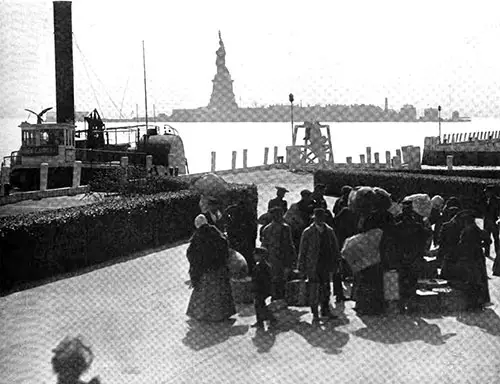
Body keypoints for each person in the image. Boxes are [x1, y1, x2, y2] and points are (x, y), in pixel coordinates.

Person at [186, 214, 236, 322]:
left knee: (205, 294)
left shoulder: (198, 236)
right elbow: (225, 245)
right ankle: (223, 314)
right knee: (221, 291)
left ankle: (205, 315)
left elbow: (191, 253)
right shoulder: (216, 232)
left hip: (205, 269)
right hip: (219, 267)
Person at [297, 208, 340, 321]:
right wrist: (301, 268)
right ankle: (315, 313)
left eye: (322, 217)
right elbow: (303, 251)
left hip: (325, 265)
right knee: (314, 290)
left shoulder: (329, 231)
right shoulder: (308, 232)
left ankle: (325, 311)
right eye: (318, 217)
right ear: (314, 218)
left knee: (326, 289)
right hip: (313, 265)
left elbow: (335, 249)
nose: (320, 219)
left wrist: (336, 264)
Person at [455, 212, 491, 310]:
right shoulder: (477, 229)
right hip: (478, 255)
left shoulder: (466, 231)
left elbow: (461, 244)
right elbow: (488, 240)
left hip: (469, 256)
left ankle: (472, 303)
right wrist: (481, 245)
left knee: (471, 279)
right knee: (480, 278)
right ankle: (481, 301)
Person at [261, 206, 297, 302]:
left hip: (271, 257)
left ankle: (274, 297)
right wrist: (294, 258)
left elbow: (263, 245)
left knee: (273, 278)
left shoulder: (266, 229)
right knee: (282, 279)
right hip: (282, 257)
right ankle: (281, 298)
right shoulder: (285, 228)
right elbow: (290, 244)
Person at [251, 247, 278, 328]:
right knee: (259, 305)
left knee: (261, 306)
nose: (254, 257)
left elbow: (263, 279)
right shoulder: (263, 266)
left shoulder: (262, 267)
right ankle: (261, 321)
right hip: (260, 289)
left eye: (256, 255)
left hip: (261, 290)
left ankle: (271, 320)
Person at [482, 185, 500, 274]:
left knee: (496, 238)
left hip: (493, 221)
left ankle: (497, 253)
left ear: (491, 192)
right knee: (486, 237)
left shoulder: (497, 200)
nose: (486, 193)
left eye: (487, 192)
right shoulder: (485, 200)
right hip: (487, 221)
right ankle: (487, 252)